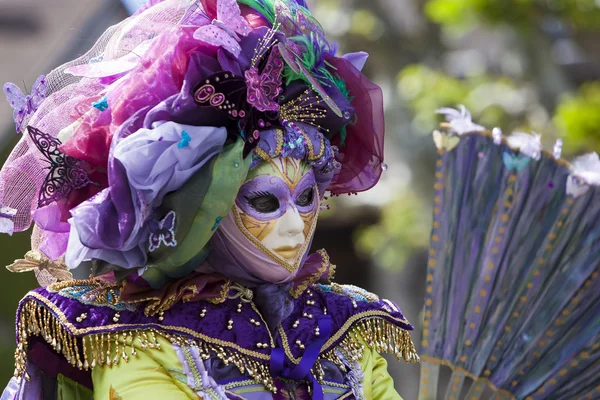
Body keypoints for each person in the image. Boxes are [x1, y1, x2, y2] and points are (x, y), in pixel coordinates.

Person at [0, 1, 419, 399]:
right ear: (206, 209)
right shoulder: (137, 338)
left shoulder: (341, 323)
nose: (295, 227)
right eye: (265, 203)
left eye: (307, 198)